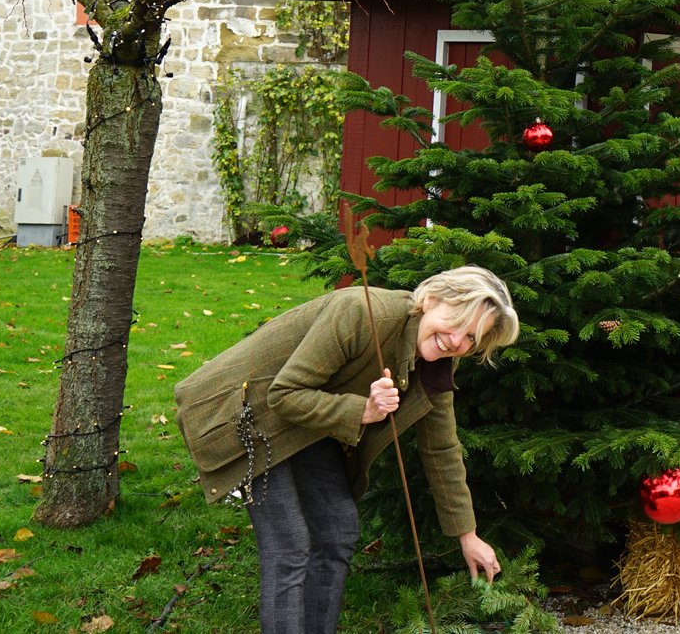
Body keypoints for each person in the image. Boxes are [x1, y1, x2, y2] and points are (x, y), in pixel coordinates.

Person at [173, 265, 519, 634]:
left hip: (307, 422)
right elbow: (283, 394)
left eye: (471, 337)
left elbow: (442, 448)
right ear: (431, 299)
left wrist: (468, 535)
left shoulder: (435, 363)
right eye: (456, 322)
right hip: (247, 413)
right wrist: (363, 411)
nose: (456, 340)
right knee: (290, 546)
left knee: (337, 530)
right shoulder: (361, 312)